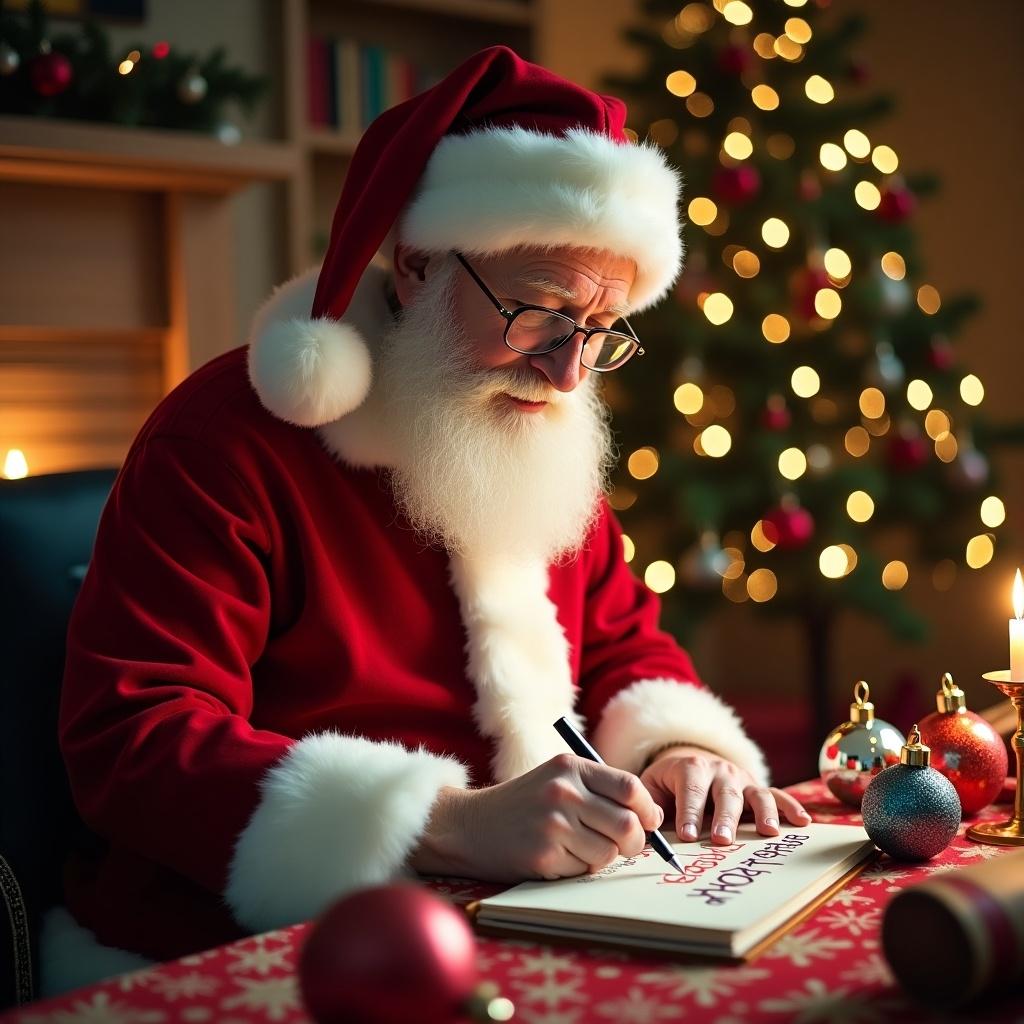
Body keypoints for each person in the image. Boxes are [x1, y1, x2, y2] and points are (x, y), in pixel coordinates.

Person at [48, 46, 809, 991]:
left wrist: (680, 747)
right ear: (414, 265)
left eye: (602, 330)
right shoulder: (222, 444)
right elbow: (135, 741)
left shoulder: (540, 430)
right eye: (538, 311)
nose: (569, 373)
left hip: (527, 921)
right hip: (252, 941)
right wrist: (443, 819)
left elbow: (623, 646)